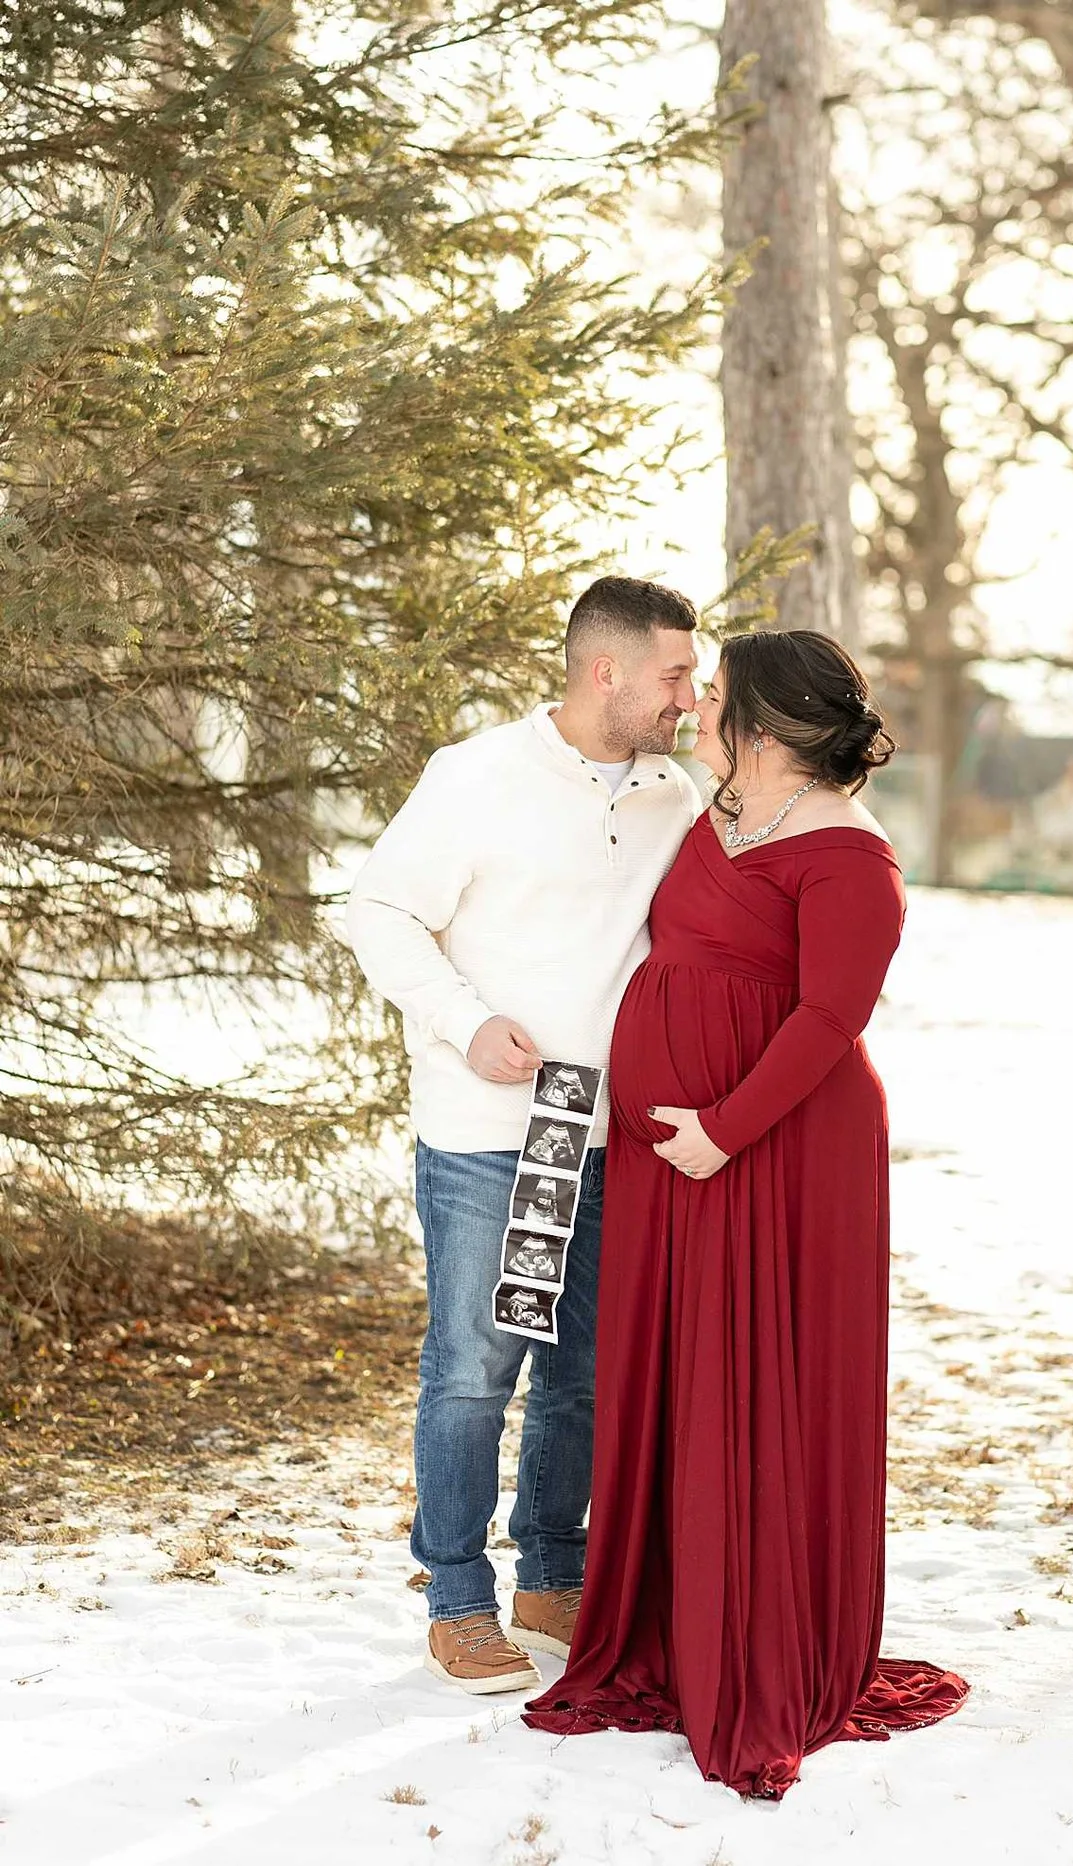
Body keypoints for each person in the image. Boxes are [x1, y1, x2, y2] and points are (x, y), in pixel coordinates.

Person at [521, 628, 967, 1798]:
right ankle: (670, 1620)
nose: (700, 706)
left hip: (774, 1151)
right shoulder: (707, 814)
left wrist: (726, 1128)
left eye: (716, 695)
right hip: (673, 1153)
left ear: (765, 725)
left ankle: (758, 1637)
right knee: (672, 1375)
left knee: (755, 1382)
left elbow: (830, 1020)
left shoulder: (848, 856)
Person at [344, 576, 705, 1695]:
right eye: (674, 676)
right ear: (608, 672)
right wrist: (464, 1021)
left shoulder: (672, 795)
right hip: (489, 1131)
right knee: (471, 1370)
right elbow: (380, 912)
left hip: (609, 1137)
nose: (688, 697)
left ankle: (555, 1572)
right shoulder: (479, 776)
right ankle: (457, 1598)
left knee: (583, 1374)